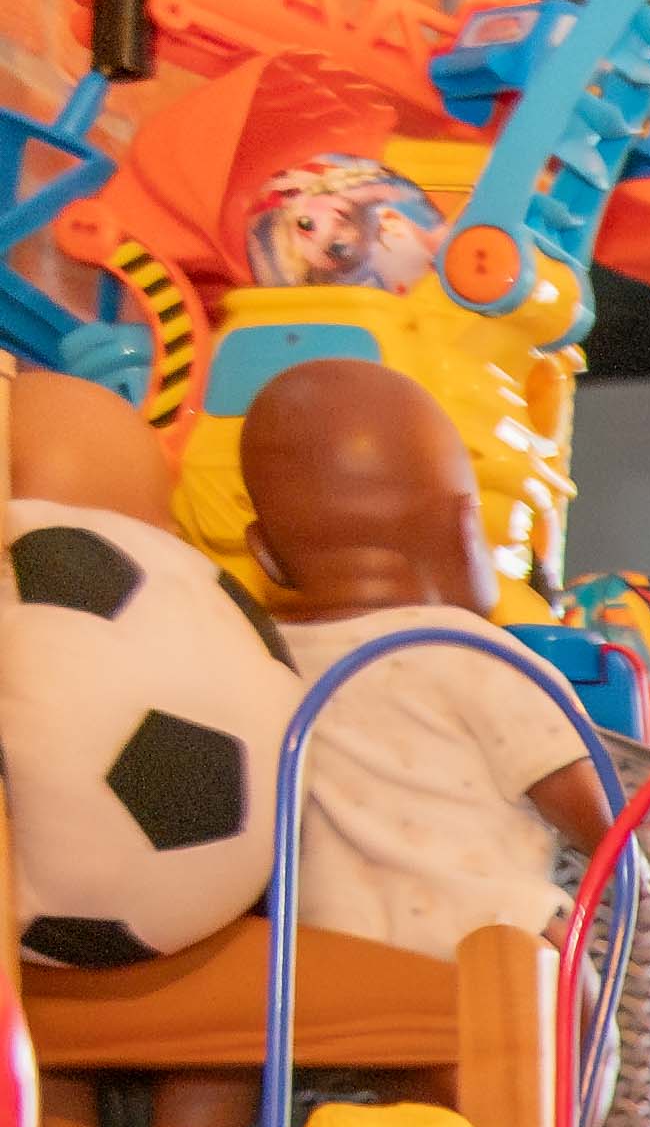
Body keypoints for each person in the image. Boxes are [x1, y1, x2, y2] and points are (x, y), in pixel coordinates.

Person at [231, 354, 609, 957]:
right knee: (567, 972)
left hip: (323, 955)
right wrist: (633, 853)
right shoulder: (478, 654)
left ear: (265, 555)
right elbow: (586, 806)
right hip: (487, 944)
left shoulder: (260, 654)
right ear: (466, 532)